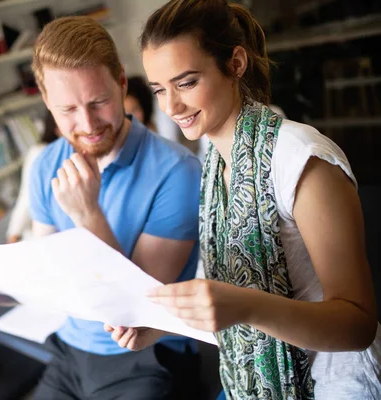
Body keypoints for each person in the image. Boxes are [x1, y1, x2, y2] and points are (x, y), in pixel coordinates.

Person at [107, 1, 381, 399]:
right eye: (160, 90)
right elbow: (222, 296)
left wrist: (247, 307)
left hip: (337, 382)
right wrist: (158, 325)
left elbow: (357, 325)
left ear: (235, 63)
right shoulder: (215, 166)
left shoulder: (301, 158)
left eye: (186, 83)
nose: (171, 106)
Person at [0, 16, 204, 399]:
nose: (87, 124)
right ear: (46, 101)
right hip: (70, 350)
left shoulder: (178, 173)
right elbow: (51, 280)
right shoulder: (44, 165)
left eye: (98, 102)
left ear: (121, 83)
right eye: (68, 109)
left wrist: (88, 215)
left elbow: (137, 310)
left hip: (149, 356)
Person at [6, 112, 59, 243]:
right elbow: (27, 197)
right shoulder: (41, 153)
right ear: (56, 128)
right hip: (41, 237)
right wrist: (14, 233)